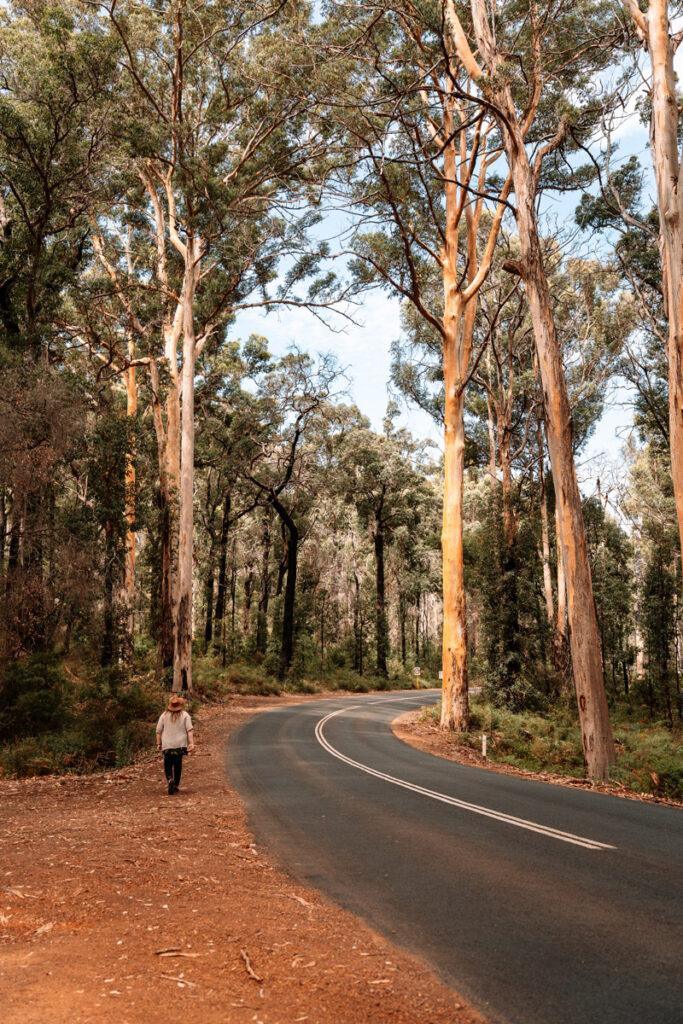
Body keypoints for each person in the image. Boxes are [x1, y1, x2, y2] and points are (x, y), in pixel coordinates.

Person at [156, 694, 194, 795]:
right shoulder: (185, 715)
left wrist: (159, 743)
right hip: (180, 745)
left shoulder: (163, 715)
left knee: (167, 764)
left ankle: (169, 779)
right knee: (178, 765)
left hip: (167, 745)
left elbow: (158, 731)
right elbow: (189, 730)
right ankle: (176, 785)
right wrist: (191, 743)